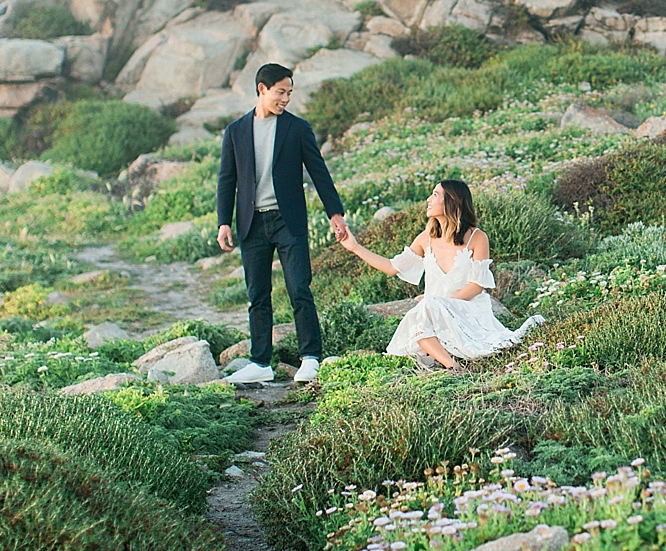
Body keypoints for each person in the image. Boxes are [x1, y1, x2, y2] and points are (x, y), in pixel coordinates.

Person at [216, 62, 348, 385]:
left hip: (288, 221)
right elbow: (227, 179)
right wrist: (223, 222)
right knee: (257, 294)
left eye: (290, 93)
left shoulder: (297, 128)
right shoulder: (235, 131)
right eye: (281, 92)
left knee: (299, 289)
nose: (286, 99)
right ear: (262, 89)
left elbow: (319, 172)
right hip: (251, 223)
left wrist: (335, 213)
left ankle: (310, 358)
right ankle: (261, 361)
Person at [337, 179, 542, 370]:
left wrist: (441, 305)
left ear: (451, 202)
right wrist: (354, 247)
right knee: (421, 313)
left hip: (466, 308)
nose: (428, 199)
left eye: (435, 195)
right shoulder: (426, 238)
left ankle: (449, 361)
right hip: (433, 311)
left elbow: (476, 286)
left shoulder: (477, 238)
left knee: (425, 307)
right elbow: (392, 267)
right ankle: (452, 367)